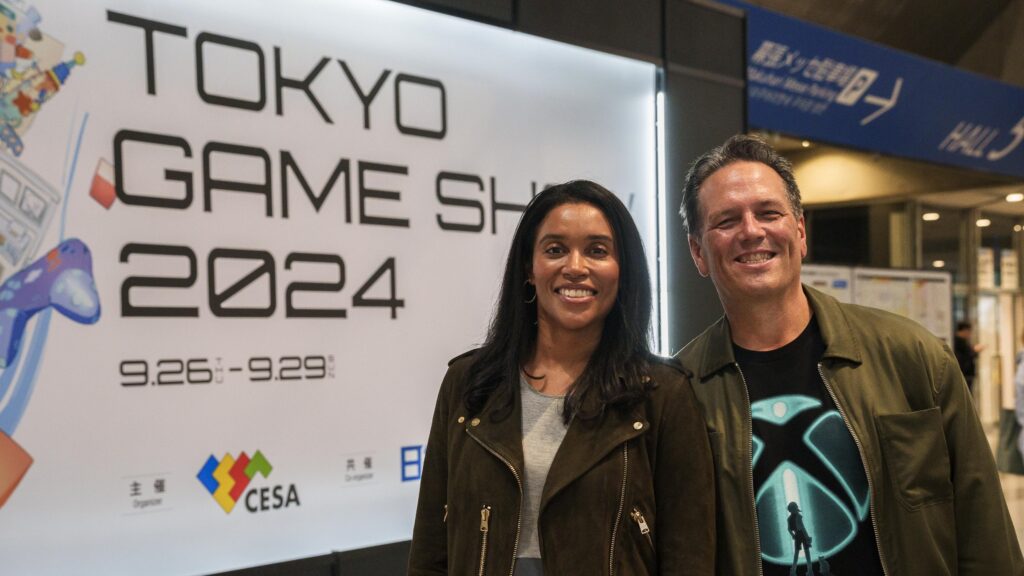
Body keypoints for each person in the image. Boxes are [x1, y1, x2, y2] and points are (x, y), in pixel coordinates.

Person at [675, 134, 1024, 576]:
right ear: (698, 252)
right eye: (726, 220)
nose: (751, 231)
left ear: (800, 232)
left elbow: (984, 530)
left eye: (769, 213)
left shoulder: (912, 357)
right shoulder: (683, 391)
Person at [408, 180, 715, 575]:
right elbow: (430, 549)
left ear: (622, 271)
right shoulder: (468, 382)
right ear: (529, 268)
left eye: (597, 251)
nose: (575, 267)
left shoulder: (662, 394)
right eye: (555, 250)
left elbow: (689, 556)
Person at [953, 321, 981, 392]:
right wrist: (974, 351)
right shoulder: (959, 342)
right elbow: (966, 356)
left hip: (964, 374)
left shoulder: (959, 341)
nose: (970, 334)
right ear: (965, 330)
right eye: (969, 331)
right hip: (964, 374)